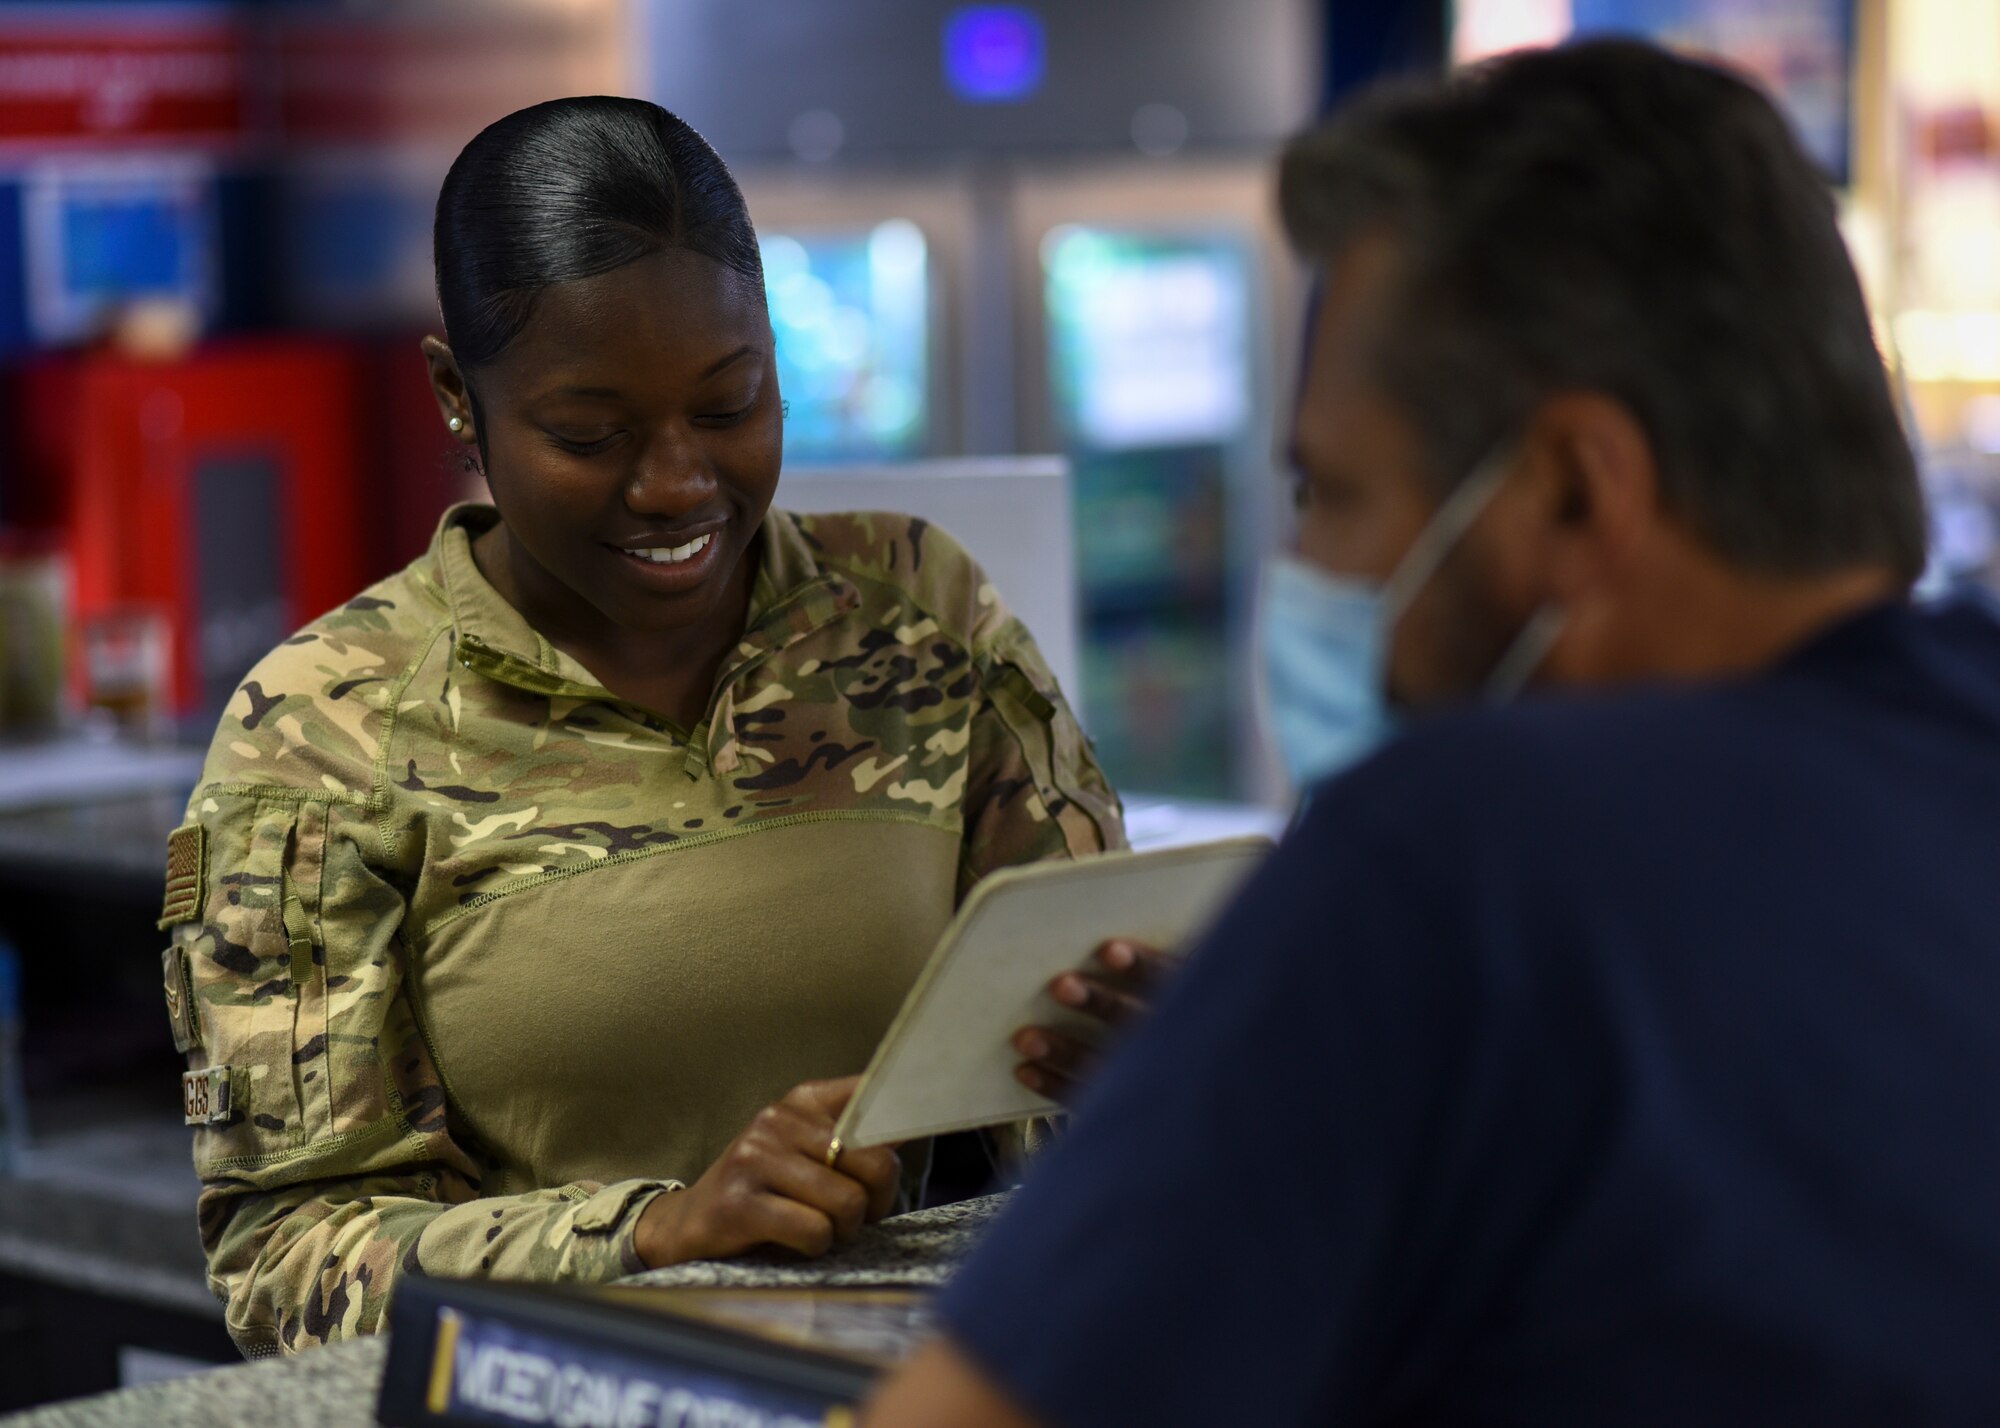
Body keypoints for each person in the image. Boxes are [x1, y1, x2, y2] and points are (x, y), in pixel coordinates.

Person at [865, 39, 2000, 1427]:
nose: (1315, 569)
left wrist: (1274, 1040)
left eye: (1332, 494)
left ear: (1578, 495)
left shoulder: (1456, 858)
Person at [160, 96, 1126, 1358]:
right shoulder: (323, 728)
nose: (676, 483)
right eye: (590, 434)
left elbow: (1067, 1049)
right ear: (459, 397)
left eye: (730, 407)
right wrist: (651, 1236)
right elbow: (286, 1263)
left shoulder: (913, 608)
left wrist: (1133, 1058)